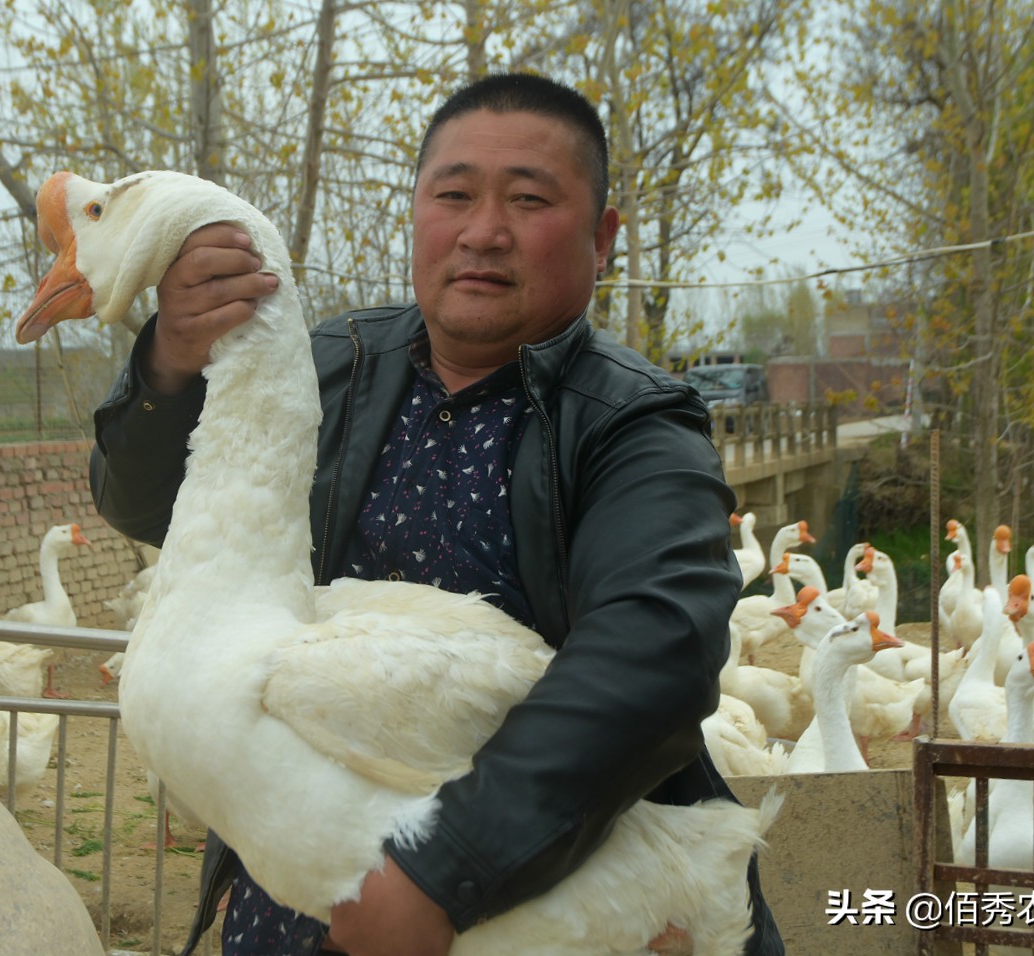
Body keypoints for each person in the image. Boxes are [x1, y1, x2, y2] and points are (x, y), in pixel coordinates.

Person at [89, 72, 784, 956]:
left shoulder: (637, 426)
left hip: (527, 900)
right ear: (416, 212)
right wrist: (169, 366)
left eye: (529, 199)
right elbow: (142, 505)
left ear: (604, 238)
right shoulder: (323, 369)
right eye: (453, 195)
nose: (483, 231)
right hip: (298, 906)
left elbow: (655, 651)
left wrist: (442, 871)